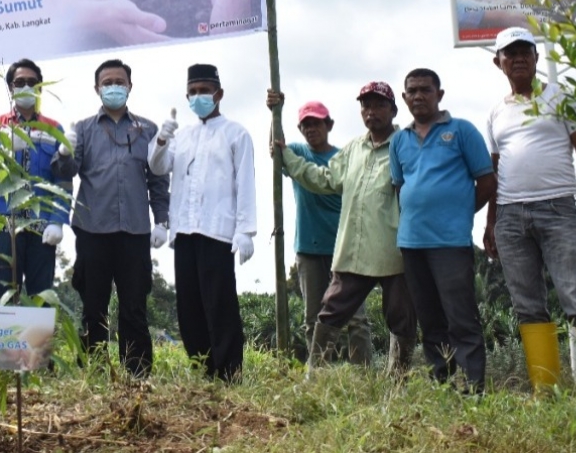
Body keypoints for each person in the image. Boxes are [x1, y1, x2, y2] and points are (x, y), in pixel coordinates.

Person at [484, 26, 576, 388]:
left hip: (558, 209)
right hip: (510, 216)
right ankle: (547, 390)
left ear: (538, 57)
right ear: (499, 63)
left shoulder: (562, 97)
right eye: (511, 53)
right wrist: (491, 221)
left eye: (526, 50)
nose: (520, 57)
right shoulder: (495, 113)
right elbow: (494, 170)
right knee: (527, 306)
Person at [275, 82, 417, 375]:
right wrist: (287, 157)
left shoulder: (407, 143)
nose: (371, 112)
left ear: (393, 109)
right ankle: (315, 376)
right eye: (366, 106)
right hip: (355, 248)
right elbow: (325, 178)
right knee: (330, 311)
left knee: (400, 317)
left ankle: (396, 380)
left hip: (395, 249)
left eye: (379, 105)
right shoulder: (354, 148)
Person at [51, 58, 170, 377]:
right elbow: (66, 172)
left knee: (134, 308)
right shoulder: (83, 129)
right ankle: (93, 373)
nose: (114, 87)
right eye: (108, 82)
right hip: (92, 230)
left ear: (130, 86)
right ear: (97, 88)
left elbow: (158, 179)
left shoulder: (148, 130)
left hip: (134, 231)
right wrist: (63, 153)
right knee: (93, 307)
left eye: (120, 82)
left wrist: (162, 220)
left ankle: (137, 375)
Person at [389, 68, 496, 392]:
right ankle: (444, 386)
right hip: (412, 243)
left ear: (440, 94)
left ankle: (473, 390)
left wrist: (460, 212)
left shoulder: (462, 131)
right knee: (430, 320)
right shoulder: (399, 141)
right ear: (405, 98)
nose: (418, 96)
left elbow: (488, 181)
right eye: (412, 91)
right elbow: (399, 186)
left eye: (425, 89)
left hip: (451, 242)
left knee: (461, 317)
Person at [148, 63, 256, 381]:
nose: (199, 97)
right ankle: (203, 368)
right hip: (184, 231)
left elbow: (245, 183)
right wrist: (162, 139)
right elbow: (157, 167)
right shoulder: (182, 137)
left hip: (218, 231)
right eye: (193, 92)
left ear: (218, 94)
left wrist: (246, 230)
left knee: (220, 303)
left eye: (204, 91)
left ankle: (229, 371)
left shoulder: (236, 134)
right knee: (189, 306)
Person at [265, 91, 372, 366]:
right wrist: (275, 112)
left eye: (317, 123)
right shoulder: (297, 153)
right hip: (309, 249)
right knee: (314, 317)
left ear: (329, 125)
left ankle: (363, 375)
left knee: (356, 319)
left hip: (345, 249)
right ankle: (319, 374)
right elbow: (275, 149)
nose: (311, 129)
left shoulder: (343, 158)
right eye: (306, 125)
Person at [0, 58, 71, 302]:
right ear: (11, 88)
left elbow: (62, 181)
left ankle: (38, 342)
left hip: (41, 223)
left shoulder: (53, 129)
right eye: (19, 82)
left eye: (32, 82)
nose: (26, 87)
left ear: (40, 88)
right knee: (5, 294)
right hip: (4, 221)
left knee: (40, 295)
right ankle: (5, 340)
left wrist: (58, 221)